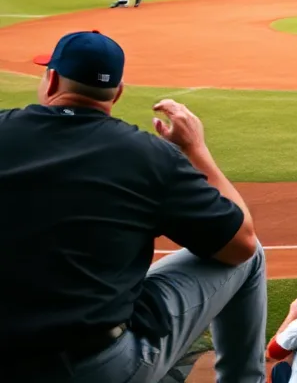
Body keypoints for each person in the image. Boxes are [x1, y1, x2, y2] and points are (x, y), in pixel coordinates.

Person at [0, 31, 266, 382]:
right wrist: (196, 151)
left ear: (51, 81)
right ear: (118, 92)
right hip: (95, 368)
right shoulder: (149, 156)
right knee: (253, 255)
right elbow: (239, 245)